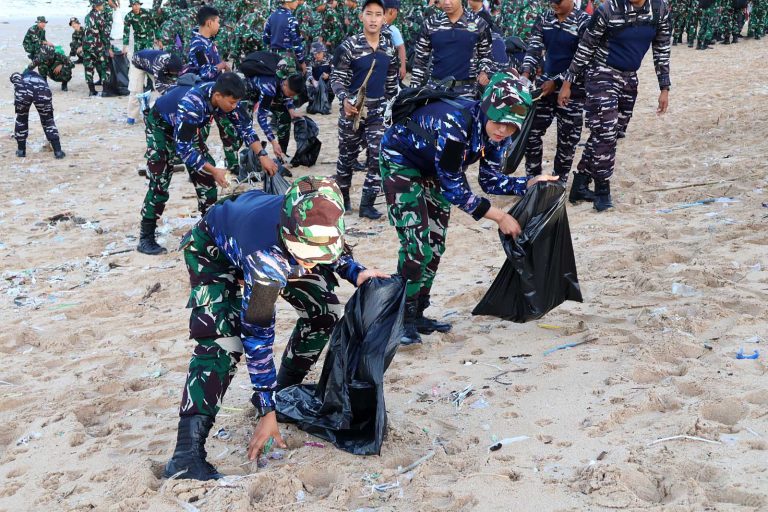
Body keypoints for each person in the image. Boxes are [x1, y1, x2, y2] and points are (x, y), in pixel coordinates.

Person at [163, 176, 388, 480]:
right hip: (214, 251)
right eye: (307, 256)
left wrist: (356, 272)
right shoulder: (267, 262)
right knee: (222, 344)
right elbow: (257, 337)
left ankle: (284, 392)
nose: (311, 266)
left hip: (269, 245)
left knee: (325, 312)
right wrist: (265, 411)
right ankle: (186, 455)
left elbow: (332, 248)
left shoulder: (318, 210)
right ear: (290, 235)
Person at [380, 72, 558, 345]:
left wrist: (529, 183)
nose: (503, 131)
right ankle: (400, 317)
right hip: (401, 162)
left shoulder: (499, 137)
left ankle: (417, 313)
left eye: (511, 127)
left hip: (435, 169)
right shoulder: (454, 125)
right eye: (499, 123)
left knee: (436, 244)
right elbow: (455, 191)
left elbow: (490, 180)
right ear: (487, 109)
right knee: (417, 245)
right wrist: (500, 216)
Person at [136, 72, 278, 255]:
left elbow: (245, 128)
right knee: (160, 180)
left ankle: (209, 228)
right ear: (218, 96)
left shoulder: (226, 98)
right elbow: (185, 150)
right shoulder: (193, 103)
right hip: (162, 126)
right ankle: (145, 237)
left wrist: (263, 155)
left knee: (205, 180)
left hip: (188, 128)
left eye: (236, 103)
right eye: (232, 103)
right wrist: (214, 170)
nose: (234, 107)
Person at [558, 0, 671, 211]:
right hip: (602, 73)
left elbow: (662, 47)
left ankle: (581, 182)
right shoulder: (607, 10)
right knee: (606, 132)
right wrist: (568, 83)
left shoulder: (659, 9)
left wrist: (664, 87)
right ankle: (602, 189)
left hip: (629, 77)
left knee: (611, 133)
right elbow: (586, 47)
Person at [331, 0, 398, 219]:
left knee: (378, 155)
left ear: (384, 18)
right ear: (361, 17)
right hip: (353, 110)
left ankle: (367, 203)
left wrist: (391, 103)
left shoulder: (388, 46)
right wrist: (344, 100)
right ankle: (343, 198)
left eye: (378, 14)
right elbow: (337, 78)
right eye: (368, 14)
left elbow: (391, 77)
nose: (373, 19)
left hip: (378, 110)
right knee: (347, 158)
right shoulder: (349, 46)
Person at [522, 0, 592, 203]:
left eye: (558, 1)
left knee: (567, 139)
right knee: (531, 133)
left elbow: (584, 59)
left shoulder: (584, 22)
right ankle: (533, 179)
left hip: (573, 90)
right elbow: (534, 47)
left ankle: (559, 180)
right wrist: (525, 74)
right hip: (544, 89)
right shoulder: (545, 18)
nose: (554, 5)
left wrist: (560, 81)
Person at [410, 0, 493, 98]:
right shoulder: (431, 24)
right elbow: (420, 61)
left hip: (466, 94)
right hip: (435, 91)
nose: (447, 2)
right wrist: (413, 91)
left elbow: (486, 55)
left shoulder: (479, 24)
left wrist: (484, 72)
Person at [11, 70, 65, 159]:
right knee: (48, 120)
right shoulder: (41, 79)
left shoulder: (20, 77)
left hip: (23, 90)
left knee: (21, 119)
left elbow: (14, 78)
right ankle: (58, 151)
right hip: (42, 90)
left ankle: (21, 151)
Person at [251, 69, 306, 158]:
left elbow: (287, 97)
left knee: (285, 117)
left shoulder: (289, 79)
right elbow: (261, 118)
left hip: (274, 97)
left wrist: (292, 110)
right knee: (245, 125)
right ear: (285, 85)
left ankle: (281, 154)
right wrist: (273, 141)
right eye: (290, 94)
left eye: (293, 95)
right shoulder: (269, 88)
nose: (291, 97)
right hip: (252, 93)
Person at [263, 0, 308, 75]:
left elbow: (266, 39)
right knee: (289, 84)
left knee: (276, 83)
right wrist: (302, 62)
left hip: (273, 56)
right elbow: (296, 44)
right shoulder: (291, 19)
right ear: (288, 2)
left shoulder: (272, 16)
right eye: (295, 1)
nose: (297, 2)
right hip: (287, 58)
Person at [84, 0, 115, 97]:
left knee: (89, 67)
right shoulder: (99, 17)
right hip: (97, 46)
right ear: (97, 6)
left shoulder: (87, 16)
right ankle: (105, 90)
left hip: (87, 45)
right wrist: (109, 48)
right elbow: (104, 34)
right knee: (105, 66)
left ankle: (91, 90)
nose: (103, 5)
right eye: (101, 4)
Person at [383, 0, 407, 80]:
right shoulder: (393, 30)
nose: (397, 14)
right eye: (397, 11)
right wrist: (403, 67)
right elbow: (401, 48)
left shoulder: (373, 25)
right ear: (392, 11)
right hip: (390, 71)